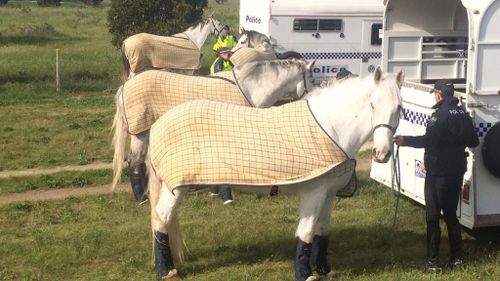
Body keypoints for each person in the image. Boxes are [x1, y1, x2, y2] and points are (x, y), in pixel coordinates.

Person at [394, 79, 479, 273]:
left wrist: (404, 140)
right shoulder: (464, 115)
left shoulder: (438, 116)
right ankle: (457, 259)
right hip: (457, 170)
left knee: (432, 217)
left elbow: (428, 141)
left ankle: (433, 263)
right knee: (451, 215)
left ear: (439, 95)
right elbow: (473, 141)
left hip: (438, 172)